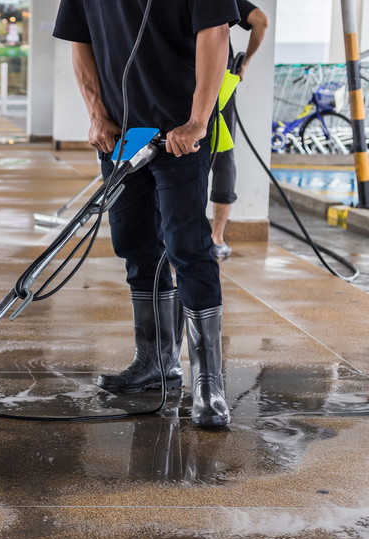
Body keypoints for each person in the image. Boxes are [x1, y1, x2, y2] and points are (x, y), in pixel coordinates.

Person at [53, 0, 239, 427]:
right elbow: (79, 40)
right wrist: (96, 114)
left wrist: (197, 120)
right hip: (122, 134)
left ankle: (209, 385)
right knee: (136, 246)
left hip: (179, 134)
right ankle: (156, 360)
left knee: (188, 248)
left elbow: (216, 33)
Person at [211, 0, 269, 259]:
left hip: (177, 85)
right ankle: (215, 238)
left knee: (174, 155)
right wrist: (243, 65)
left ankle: (174, 236)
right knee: (222, 157)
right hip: (217, 85)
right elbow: (260, 20)